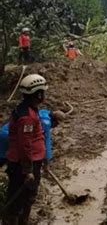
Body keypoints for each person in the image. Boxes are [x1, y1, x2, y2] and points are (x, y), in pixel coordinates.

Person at [4, 74, 49, 225]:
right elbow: (25, 144)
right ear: (39, 94)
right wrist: (28, 170)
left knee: (27, 198)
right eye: (43, 92)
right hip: (23, 165)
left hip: (28, 162)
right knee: (19, 201)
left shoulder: (29, 109)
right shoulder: (26, 118)